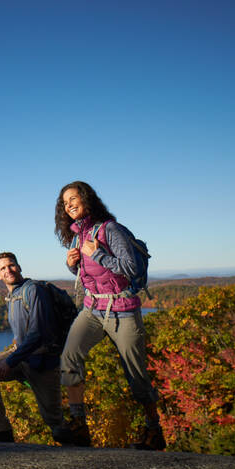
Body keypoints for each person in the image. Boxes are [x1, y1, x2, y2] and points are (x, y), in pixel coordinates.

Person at [52, 181, 165, 450]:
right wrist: (72, 266)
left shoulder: (109, 229)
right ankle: (79, 425)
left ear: (87, 199)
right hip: (92, 309)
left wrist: (98, 254)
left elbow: (132, 269)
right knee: (69, 357)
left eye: (73, 198)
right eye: (64, 202)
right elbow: (91, 277)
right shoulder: (78, 236)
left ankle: (154, 430)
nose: (69, 205)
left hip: (122, 311)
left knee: (136, 374)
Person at [0, 252, 67, 443]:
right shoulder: (12, 296)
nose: (8, 270)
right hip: (22, 356)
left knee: (54, 420)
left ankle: (77, 452)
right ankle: (0, 432)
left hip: (43, 360)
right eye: (3, 268)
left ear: (19, 267)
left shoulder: (33, 290)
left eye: (11, 265)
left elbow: (38, 332)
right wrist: (14, 357)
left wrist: (10, 361)